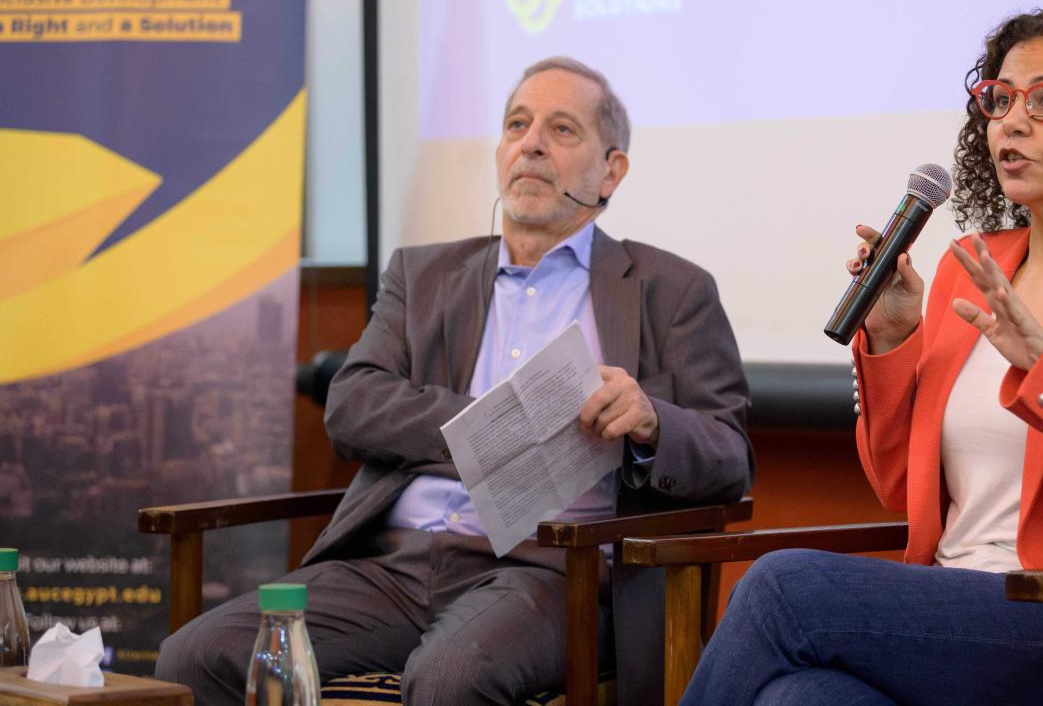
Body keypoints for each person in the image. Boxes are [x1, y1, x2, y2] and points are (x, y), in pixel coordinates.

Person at [682, 9, 1043, 705]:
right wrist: (893, 339)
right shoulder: (972, 268)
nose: (1011, 122)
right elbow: (905, 492)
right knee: (800, 699)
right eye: (999, 99)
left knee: (782, 588)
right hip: (965, 613)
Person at [156, 57, 754, 706]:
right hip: (400, 566)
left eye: (561, 130)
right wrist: (494, 431)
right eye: (517, 125)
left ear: (611, 171)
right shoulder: (423, 277)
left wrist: (651, 422)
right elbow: (353, 405)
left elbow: (730, 457)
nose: (530, 144)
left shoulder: (672, 292)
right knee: (195, 656)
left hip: (550, 573)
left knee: (448, 680)